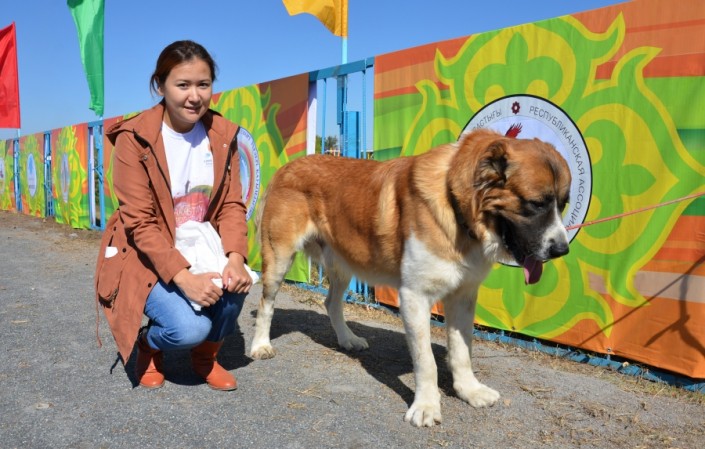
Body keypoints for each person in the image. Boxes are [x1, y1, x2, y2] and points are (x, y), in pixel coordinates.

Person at [95, 40, 253, 391]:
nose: (194, 96)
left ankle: (205, 358)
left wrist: (235, 258)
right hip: (147, 255)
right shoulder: (134, 139)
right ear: (160, 86)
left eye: (203, 84)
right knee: (188, 328)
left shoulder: (222, 135)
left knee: (236, 286)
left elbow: (231, 205)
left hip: (202, 245)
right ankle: (149, 345)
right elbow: (140, 223)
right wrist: (184, 279)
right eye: (182, 85)